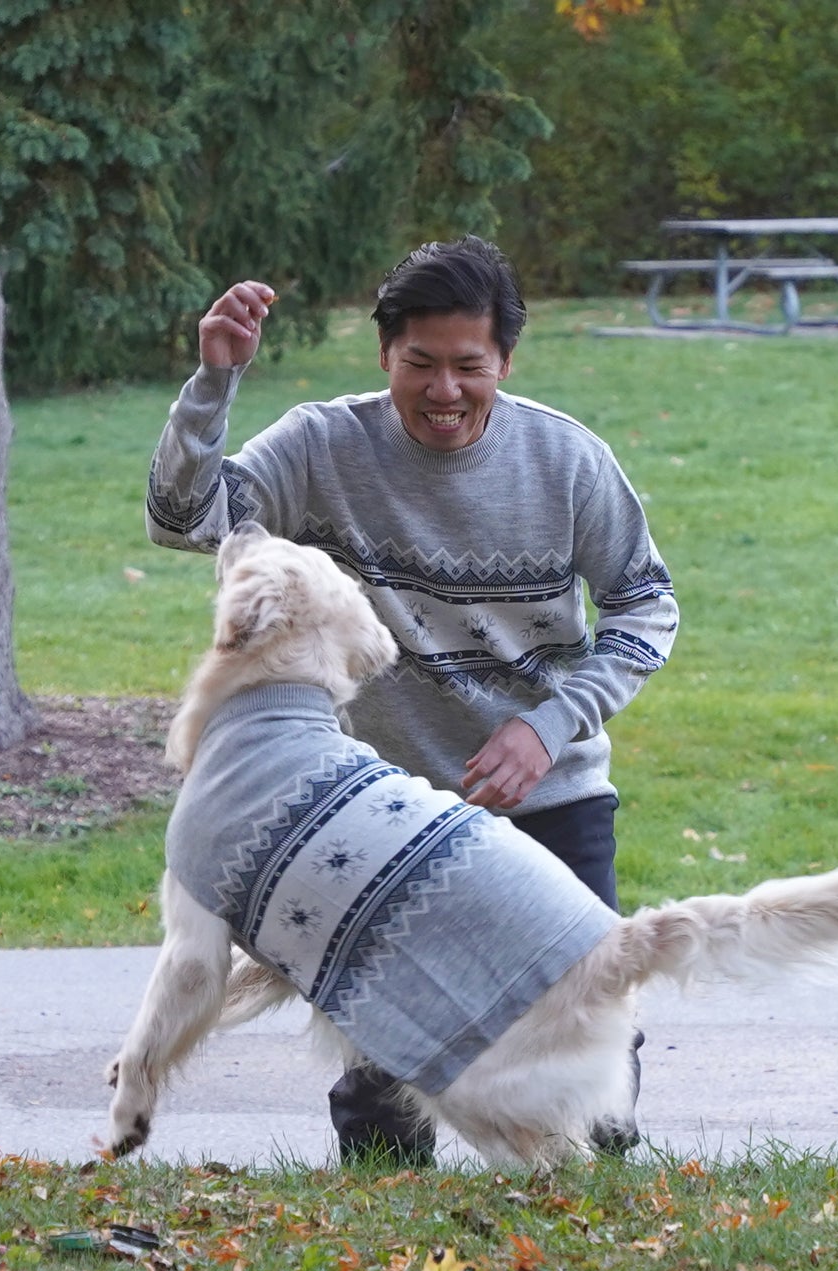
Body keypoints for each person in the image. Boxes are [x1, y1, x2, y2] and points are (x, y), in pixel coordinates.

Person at [144, 236, 678, 1164]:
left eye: (468, 366)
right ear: (384, 354)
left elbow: (646, 606)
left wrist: (546, 730)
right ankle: (381, 1213)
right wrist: (212, 383)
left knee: (588, 1006)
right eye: (419, 364)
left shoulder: (566, 461)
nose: (443, 391)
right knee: (377, 1043)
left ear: (504, 362)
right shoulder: (321, 445)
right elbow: (182, 521)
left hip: (547, 790)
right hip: (374, 800)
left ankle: (595, 1195)